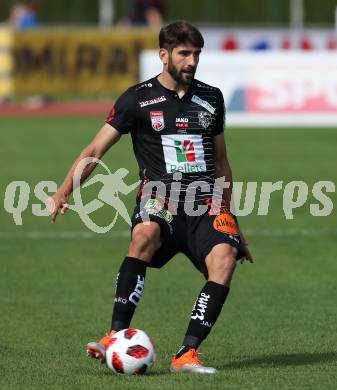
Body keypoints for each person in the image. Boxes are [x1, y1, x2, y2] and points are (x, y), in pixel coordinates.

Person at [48, 20, 253, 374]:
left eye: (196, 54)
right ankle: (114, 335)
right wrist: (65, 189)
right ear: (164, 55)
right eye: (184, 53)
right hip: (159, 197)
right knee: (145, 235)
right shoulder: (136, 98)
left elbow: (220, 161)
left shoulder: (212, 98)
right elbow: (96, 148)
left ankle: (187, 354)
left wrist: (231, 217)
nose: (192, 61)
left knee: (225, 258)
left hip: (205, 201)